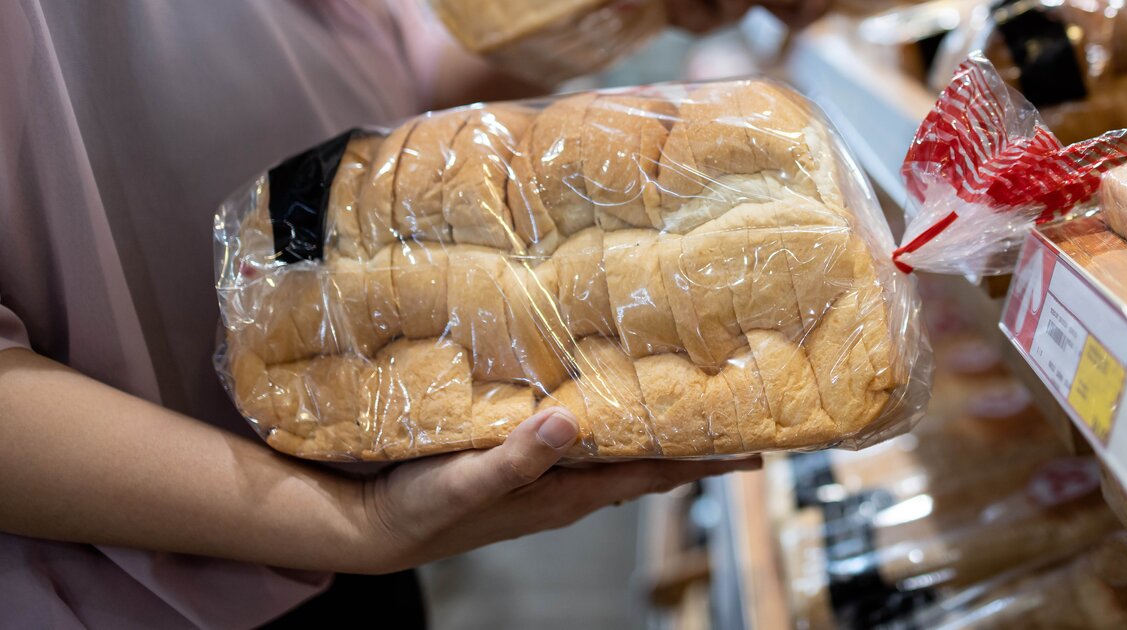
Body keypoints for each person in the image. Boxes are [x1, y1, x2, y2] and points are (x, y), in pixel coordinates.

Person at [0, 1, 824, 627]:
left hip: (361, 513)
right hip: (140, 590)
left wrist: (622, 12)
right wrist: (352, 525)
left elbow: (397, 99)